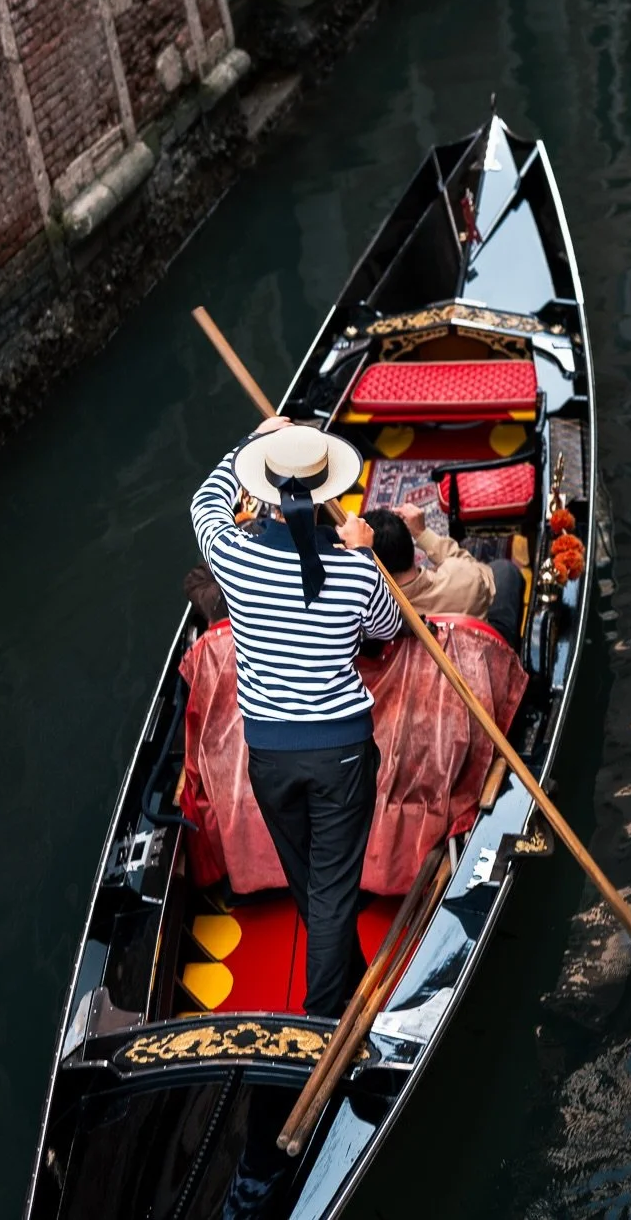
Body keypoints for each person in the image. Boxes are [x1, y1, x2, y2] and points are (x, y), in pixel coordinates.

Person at [190, 417, 400, 1019]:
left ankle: (343, 981)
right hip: (341, 754)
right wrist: (363, 552)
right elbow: (384, 631)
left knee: (316, 882)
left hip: (271, 757)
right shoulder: (357, 569)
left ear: (264, 493)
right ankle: (325, 1015)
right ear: (327, 493)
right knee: (328, 889)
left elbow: (205, 500)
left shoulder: (230, 556)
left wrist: (249, 442)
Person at [366, 503, 525, 647]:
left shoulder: (374, 621)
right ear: (410, 546)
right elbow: (474, 568)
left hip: (430, 671)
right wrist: (422, 533)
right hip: (489, 652)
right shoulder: (461, 575)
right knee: (504, 569)